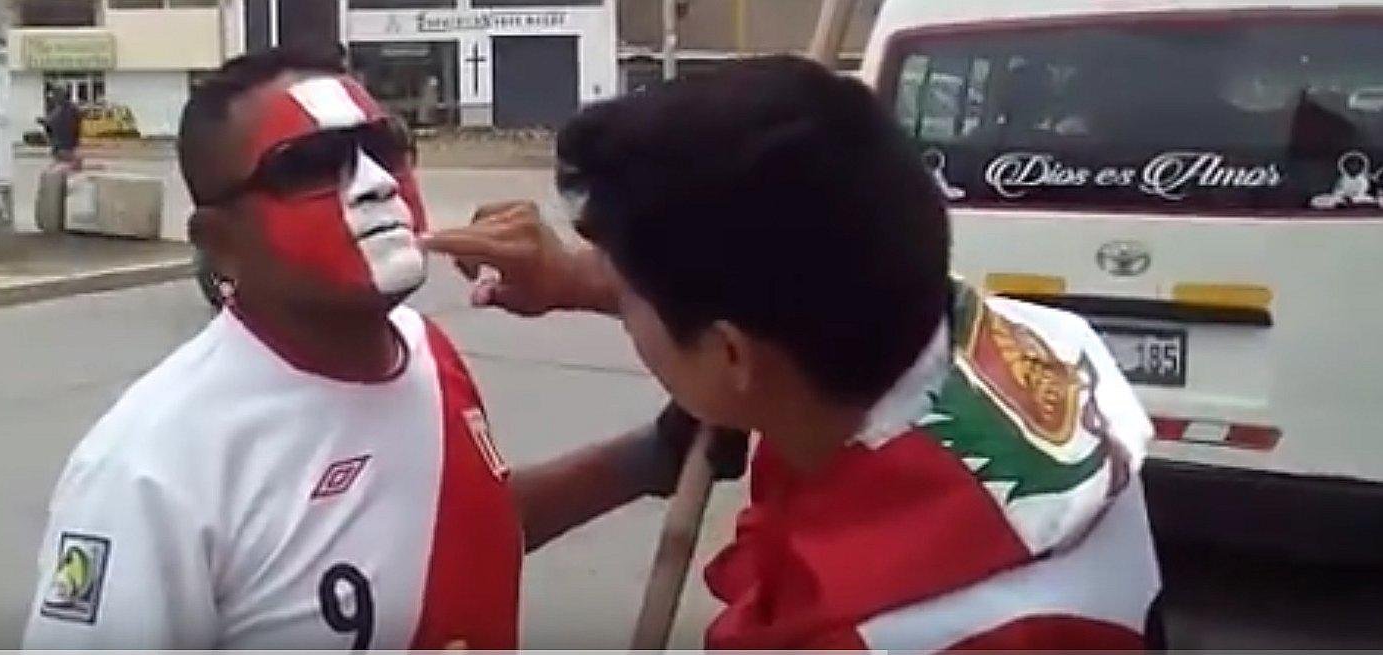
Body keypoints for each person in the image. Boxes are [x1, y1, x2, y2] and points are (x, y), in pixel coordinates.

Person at [425, 55, 1162, 650]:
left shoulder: (869, 631)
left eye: (628, 296)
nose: (616, 300)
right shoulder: (1034, 346)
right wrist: (573, 276)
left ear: (732, 357)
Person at [21, 46, 741, 649]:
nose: (373, 186)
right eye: (307, 166)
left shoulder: (425, 349)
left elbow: (458, 530)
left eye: (383, 147)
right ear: (221, 244)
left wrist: (648, 457)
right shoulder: (150, 470)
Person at [39, 87, 81, 166]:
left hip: (64, 145)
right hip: (63, 145)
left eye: (54, 96)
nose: (53, 99)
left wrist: (45, 122)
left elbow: (55, 122)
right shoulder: (62, 108)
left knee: (63, 167)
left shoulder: (65, 109)